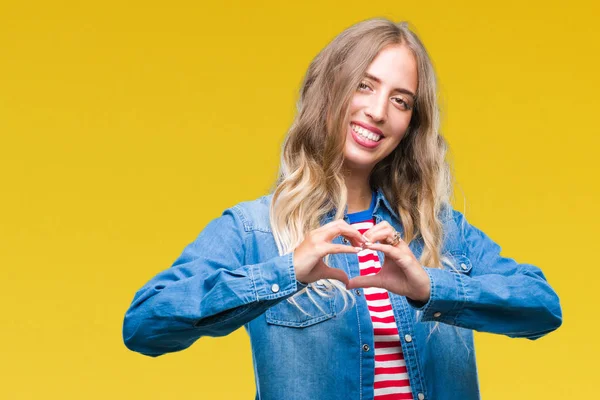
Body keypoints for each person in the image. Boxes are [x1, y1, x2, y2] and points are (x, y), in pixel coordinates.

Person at [122, 18, 562, 400]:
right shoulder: (255, 231)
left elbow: (542, 307)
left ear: (410, 125)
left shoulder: (440, 230)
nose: (377, 111)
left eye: (400, 100)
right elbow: (145, 324)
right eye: (364, 85)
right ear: (329, 90)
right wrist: (286, 272)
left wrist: (429, 287)